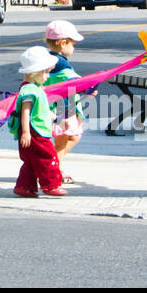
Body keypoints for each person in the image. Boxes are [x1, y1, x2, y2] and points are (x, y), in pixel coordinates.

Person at [10, 46, 66, 197]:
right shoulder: (29, 90)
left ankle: (25, 187)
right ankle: (51, 185)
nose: (48, 76)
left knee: (30, 160)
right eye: (46, 72)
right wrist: (26, 132)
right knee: (48, 156)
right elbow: (25, 111)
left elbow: (38, 108)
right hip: (34, 131)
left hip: (33, 130)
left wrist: (50, 115)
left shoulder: (33, 88)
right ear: (36, 72)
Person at [42, 19, 92, 184]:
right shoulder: (61, 64)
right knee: (66, 140)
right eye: (72, 44)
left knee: (66, 140)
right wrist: (87, 88)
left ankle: (55, 167)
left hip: (57, 108)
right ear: (63, 43)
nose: (73, 47)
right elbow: (72, 81)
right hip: (63, 109)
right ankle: (53, 168)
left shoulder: (48, 58)